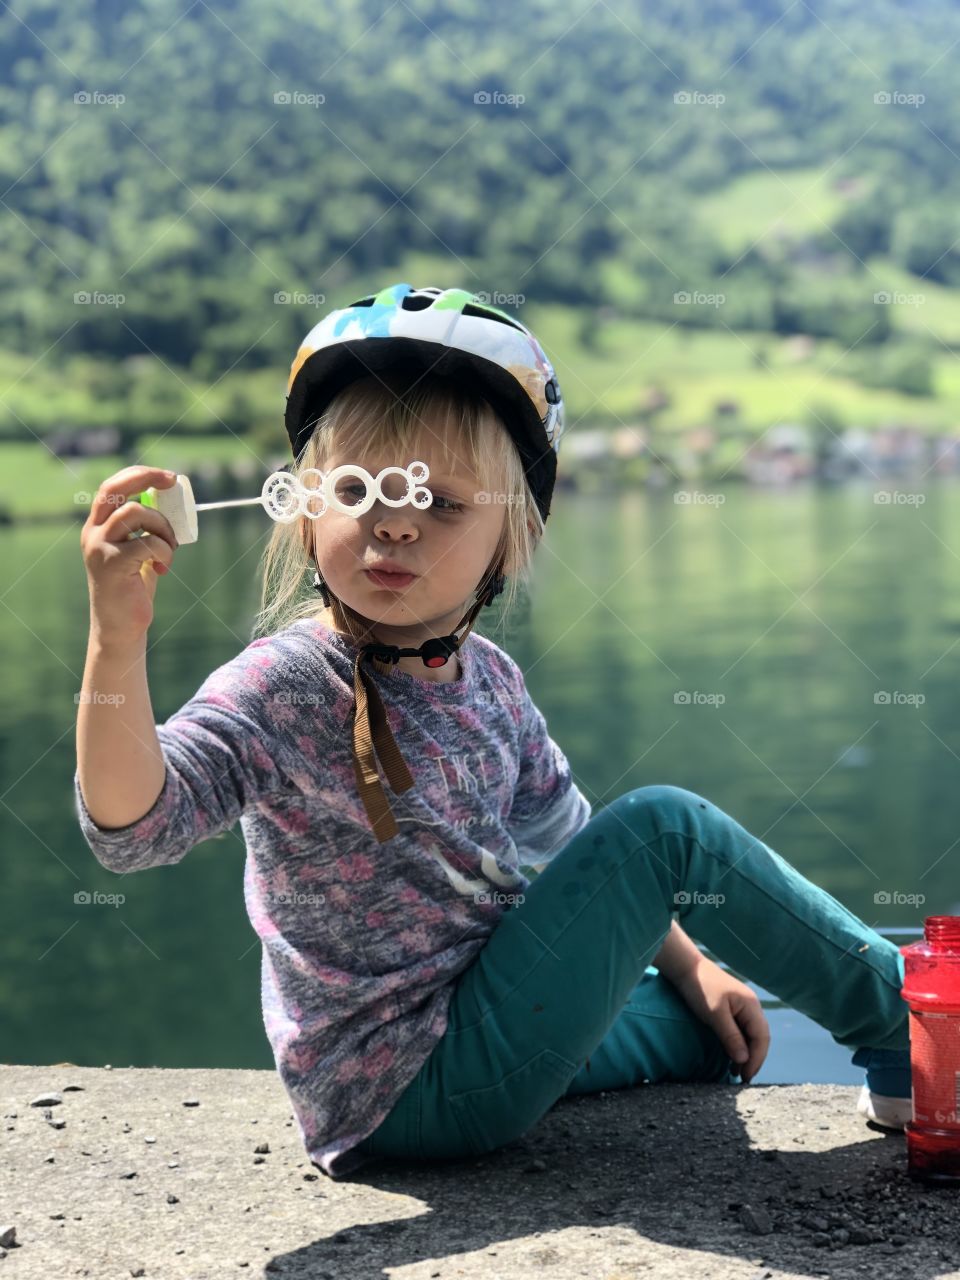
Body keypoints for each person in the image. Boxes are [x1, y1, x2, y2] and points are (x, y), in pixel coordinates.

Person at [74, 282, 912, 1180]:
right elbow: (134, 829)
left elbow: (569, 839)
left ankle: (851, 1036)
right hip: (403, 1080)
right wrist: (116, 641)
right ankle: (916, 1035)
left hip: (488, 1022)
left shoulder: (493, 682)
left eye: (441, 503)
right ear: (306, 508)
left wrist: (691, 965)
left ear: (511, 538)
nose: (395, 522)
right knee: (667, 829)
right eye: (358, 489)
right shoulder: (283, 683)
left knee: (712, 1026)